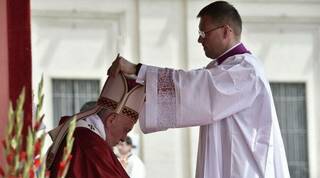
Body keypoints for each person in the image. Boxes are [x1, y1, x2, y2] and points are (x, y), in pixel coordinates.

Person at [107, 1, 290, 177]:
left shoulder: (246, 70)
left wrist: (138, 70)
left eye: (204, 33)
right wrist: (139, 79)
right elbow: (191, 85)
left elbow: (194, 86)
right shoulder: (220, 69)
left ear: (226, 31)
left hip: (244, 169)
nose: (199, 39)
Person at [47, 73, 145, 178]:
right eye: (126, 130)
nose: (123, 138)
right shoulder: (92, 145)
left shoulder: (81, 135)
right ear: (111, 120)